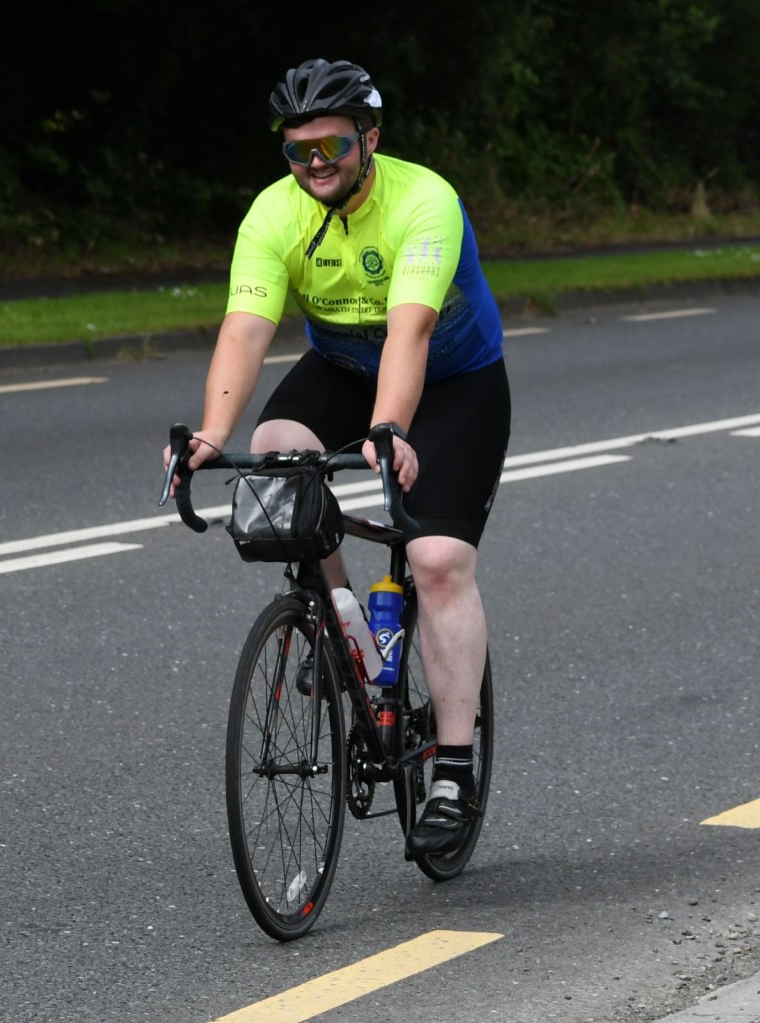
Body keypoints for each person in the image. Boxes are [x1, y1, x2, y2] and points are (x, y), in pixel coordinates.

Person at [163, 58, 511, 856]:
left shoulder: (424, 200)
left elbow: (411, 332)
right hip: (344, 368)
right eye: (299, 150)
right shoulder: (273, 214)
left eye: (332, 147)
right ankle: (342, 619)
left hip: (452, 383)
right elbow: (245, 330)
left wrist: (389, 429)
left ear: (370, 140)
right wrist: (211, 434)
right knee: (276, 454)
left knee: (436, 560)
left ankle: (453, 771)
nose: (315, 164)